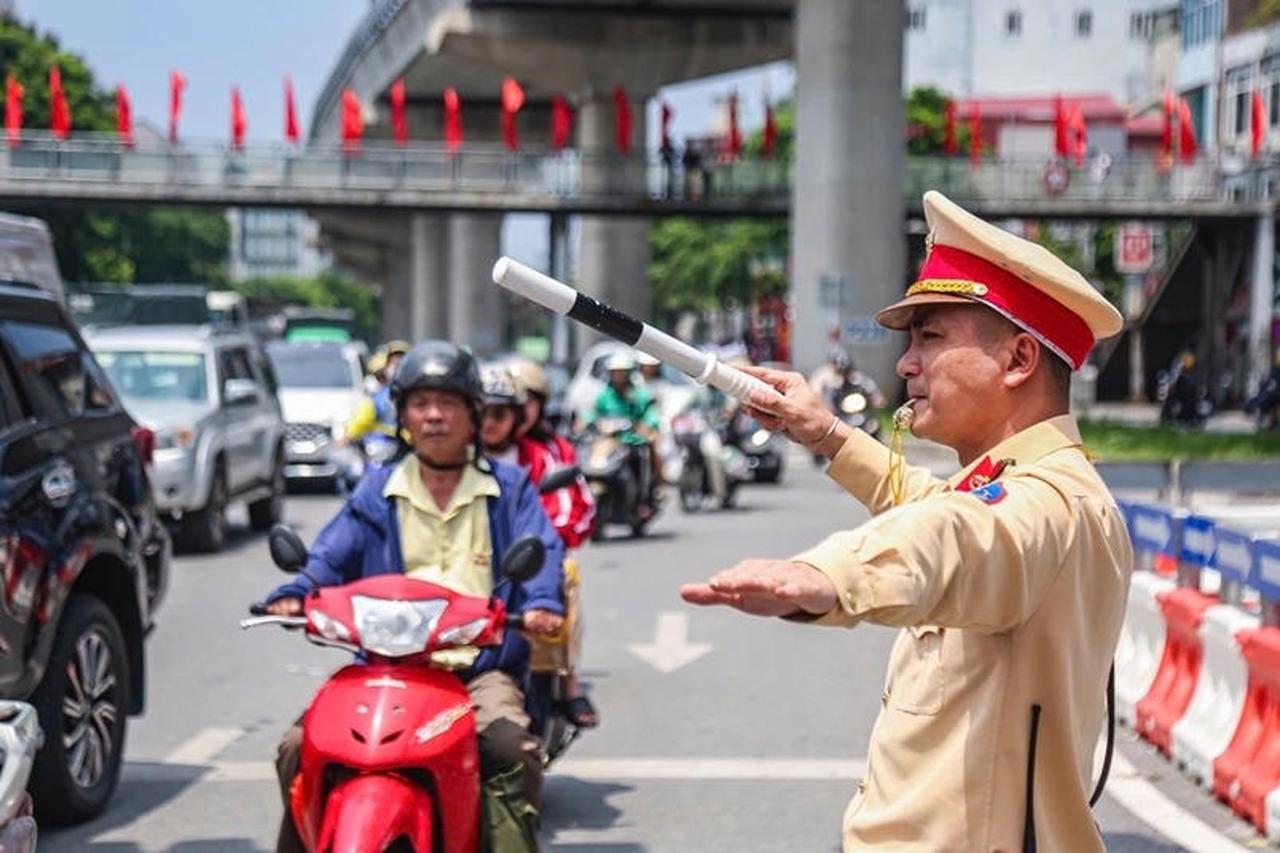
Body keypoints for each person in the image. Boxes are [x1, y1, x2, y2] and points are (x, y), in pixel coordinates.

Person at [681, 190, 1132, 852]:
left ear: (1017, 360)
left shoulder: (1050, 505)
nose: (905, 363)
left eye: (931, 336)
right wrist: (828, 433)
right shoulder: (1018, 486)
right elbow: (936, 505)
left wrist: (826, 572)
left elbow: (952, 538)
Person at [263, 340, 565, 853]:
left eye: (447, 404)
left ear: (473, 416)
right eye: (419, 405)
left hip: (476, 668)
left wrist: (540, 602)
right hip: (384, 669)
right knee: (297, 746)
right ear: (402, 415)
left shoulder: (509, 488)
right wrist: (298, 591)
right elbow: (330, 557)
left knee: (511, 746)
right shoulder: (376, 490)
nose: (433, 417)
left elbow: (544, 549)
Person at [488, 359, 600, 727]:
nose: (493, 421)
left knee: (562, 575)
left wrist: (542, 544)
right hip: (475, 563)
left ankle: (568, 682)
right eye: (484, 410)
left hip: (532, 560)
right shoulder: (459, 453)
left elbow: (570, 510)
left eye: (506, 410)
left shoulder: (547, 454)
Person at [588, 352, 661, 517]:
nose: (619, 376)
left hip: (633, 441)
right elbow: (591, 414)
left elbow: (651, 414)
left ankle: (644, 498)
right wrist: (586, 423)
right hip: (609, 443)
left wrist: (646, 426)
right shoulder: (604, 395)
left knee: (644, 455)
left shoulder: (639, 394)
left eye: (622, 372)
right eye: (615, 372)